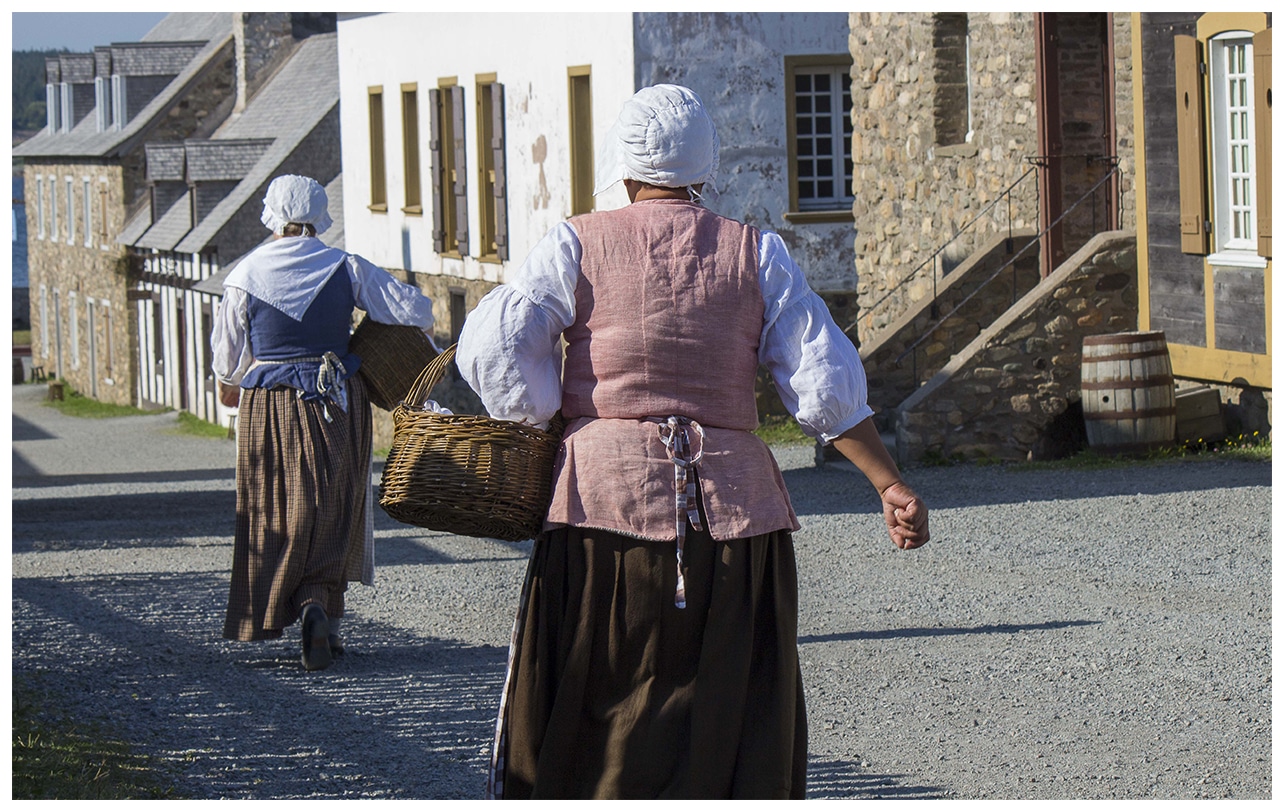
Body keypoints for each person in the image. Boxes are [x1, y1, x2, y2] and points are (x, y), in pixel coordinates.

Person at [456, 85, 930, 798]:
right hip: (735, 528)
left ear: (624, 165)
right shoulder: (755, 251)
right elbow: (821, 377)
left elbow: (496, 348)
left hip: (600, 510)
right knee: (729, 713)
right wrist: (889, 483)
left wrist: (549, 417)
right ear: (704, 167)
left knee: (604, 704)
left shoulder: (575, 242)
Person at [212, 174, 435, 671]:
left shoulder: (244, 275)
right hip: (335, 396)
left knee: (272, 507)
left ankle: (277, 607)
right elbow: (415, 310)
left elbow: (228, 362)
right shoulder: (346, 266)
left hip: (269, 406)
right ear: (319, 215)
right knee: (333, 505)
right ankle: (321, 612)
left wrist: (250, 368)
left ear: (271, 216)